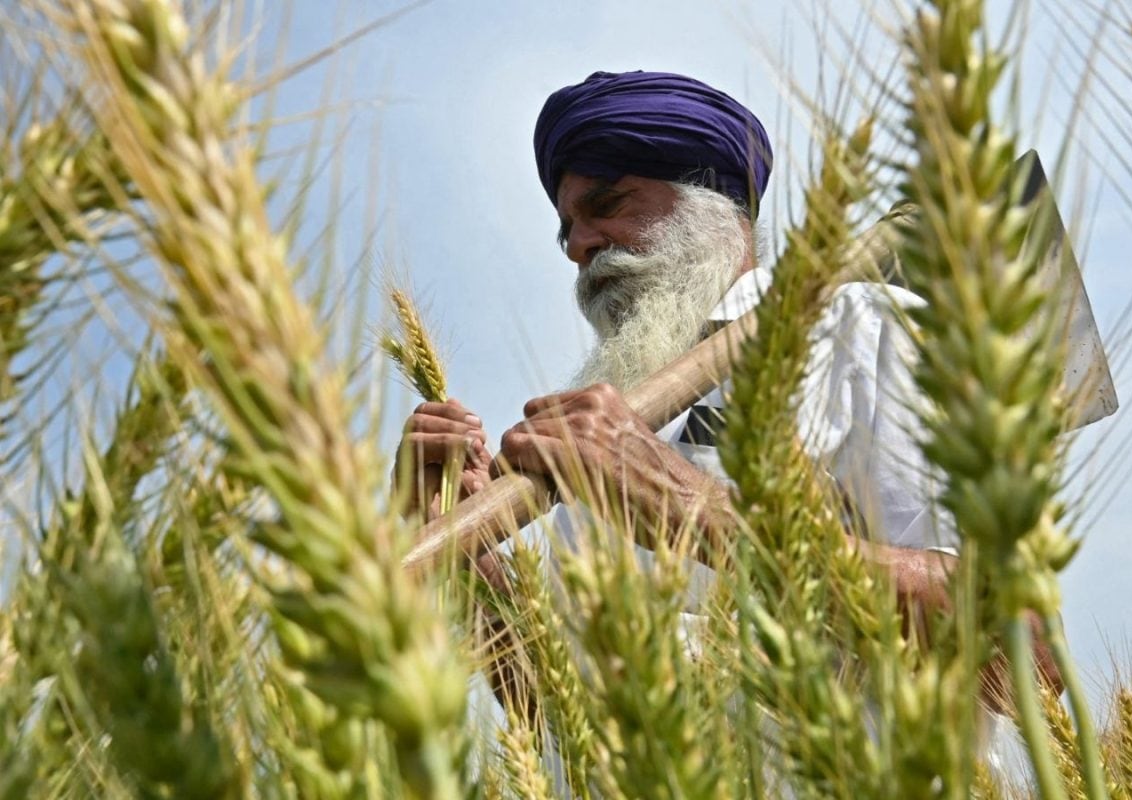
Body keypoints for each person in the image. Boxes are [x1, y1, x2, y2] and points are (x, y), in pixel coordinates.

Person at [396, 69, 1060, 752]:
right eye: (567, 229)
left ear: (709, 203)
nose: (578, 245)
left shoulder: (862, 334)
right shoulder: (608, 432)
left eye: (610, 203)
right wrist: (462, 553)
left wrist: (691, 510)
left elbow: (1021, 655)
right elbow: (559, 721)